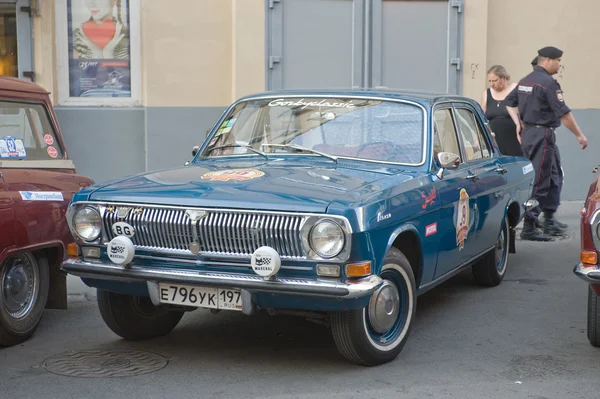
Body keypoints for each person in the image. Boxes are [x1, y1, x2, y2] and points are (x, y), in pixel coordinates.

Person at [505, 46, 588, 241]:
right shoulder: (548, 83)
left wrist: (519, 124)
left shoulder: (526, 81)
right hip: (541, 135)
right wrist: (579, 135)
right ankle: (530, 225)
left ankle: (549, 219)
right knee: (541, 179)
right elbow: (564, 113)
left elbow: (510, 102)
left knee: (554, 174)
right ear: (548, 61)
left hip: (531, 134)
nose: (559, 65)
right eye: (558, 61)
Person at [480, 65, 523, 156]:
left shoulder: (515, 89)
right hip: (495, 142)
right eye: (490, 81)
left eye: (495, 80)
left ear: (504, 78)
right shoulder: (487, 93)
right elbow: (481, 117)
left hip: (514, 140)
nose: (492, 84)